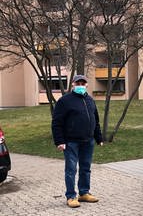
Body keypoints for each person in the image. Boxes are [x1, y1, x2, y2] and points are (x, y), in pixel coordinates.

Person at [51, 74, 103, 208]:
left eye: (83, 83)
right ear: (73, 84)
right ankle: (71, 196)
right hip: (71, 142)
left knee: (86, 168)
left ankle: (84, 193)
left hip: (88, 141)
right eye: (77, 83)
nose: (80, 85)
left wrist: (98, 137)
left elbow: (95, 120)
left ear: (86, 85)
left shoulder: (90, 100)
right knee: (71, 169)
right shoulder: (64, 101)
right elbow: (57, 123)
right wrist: (59, 141)